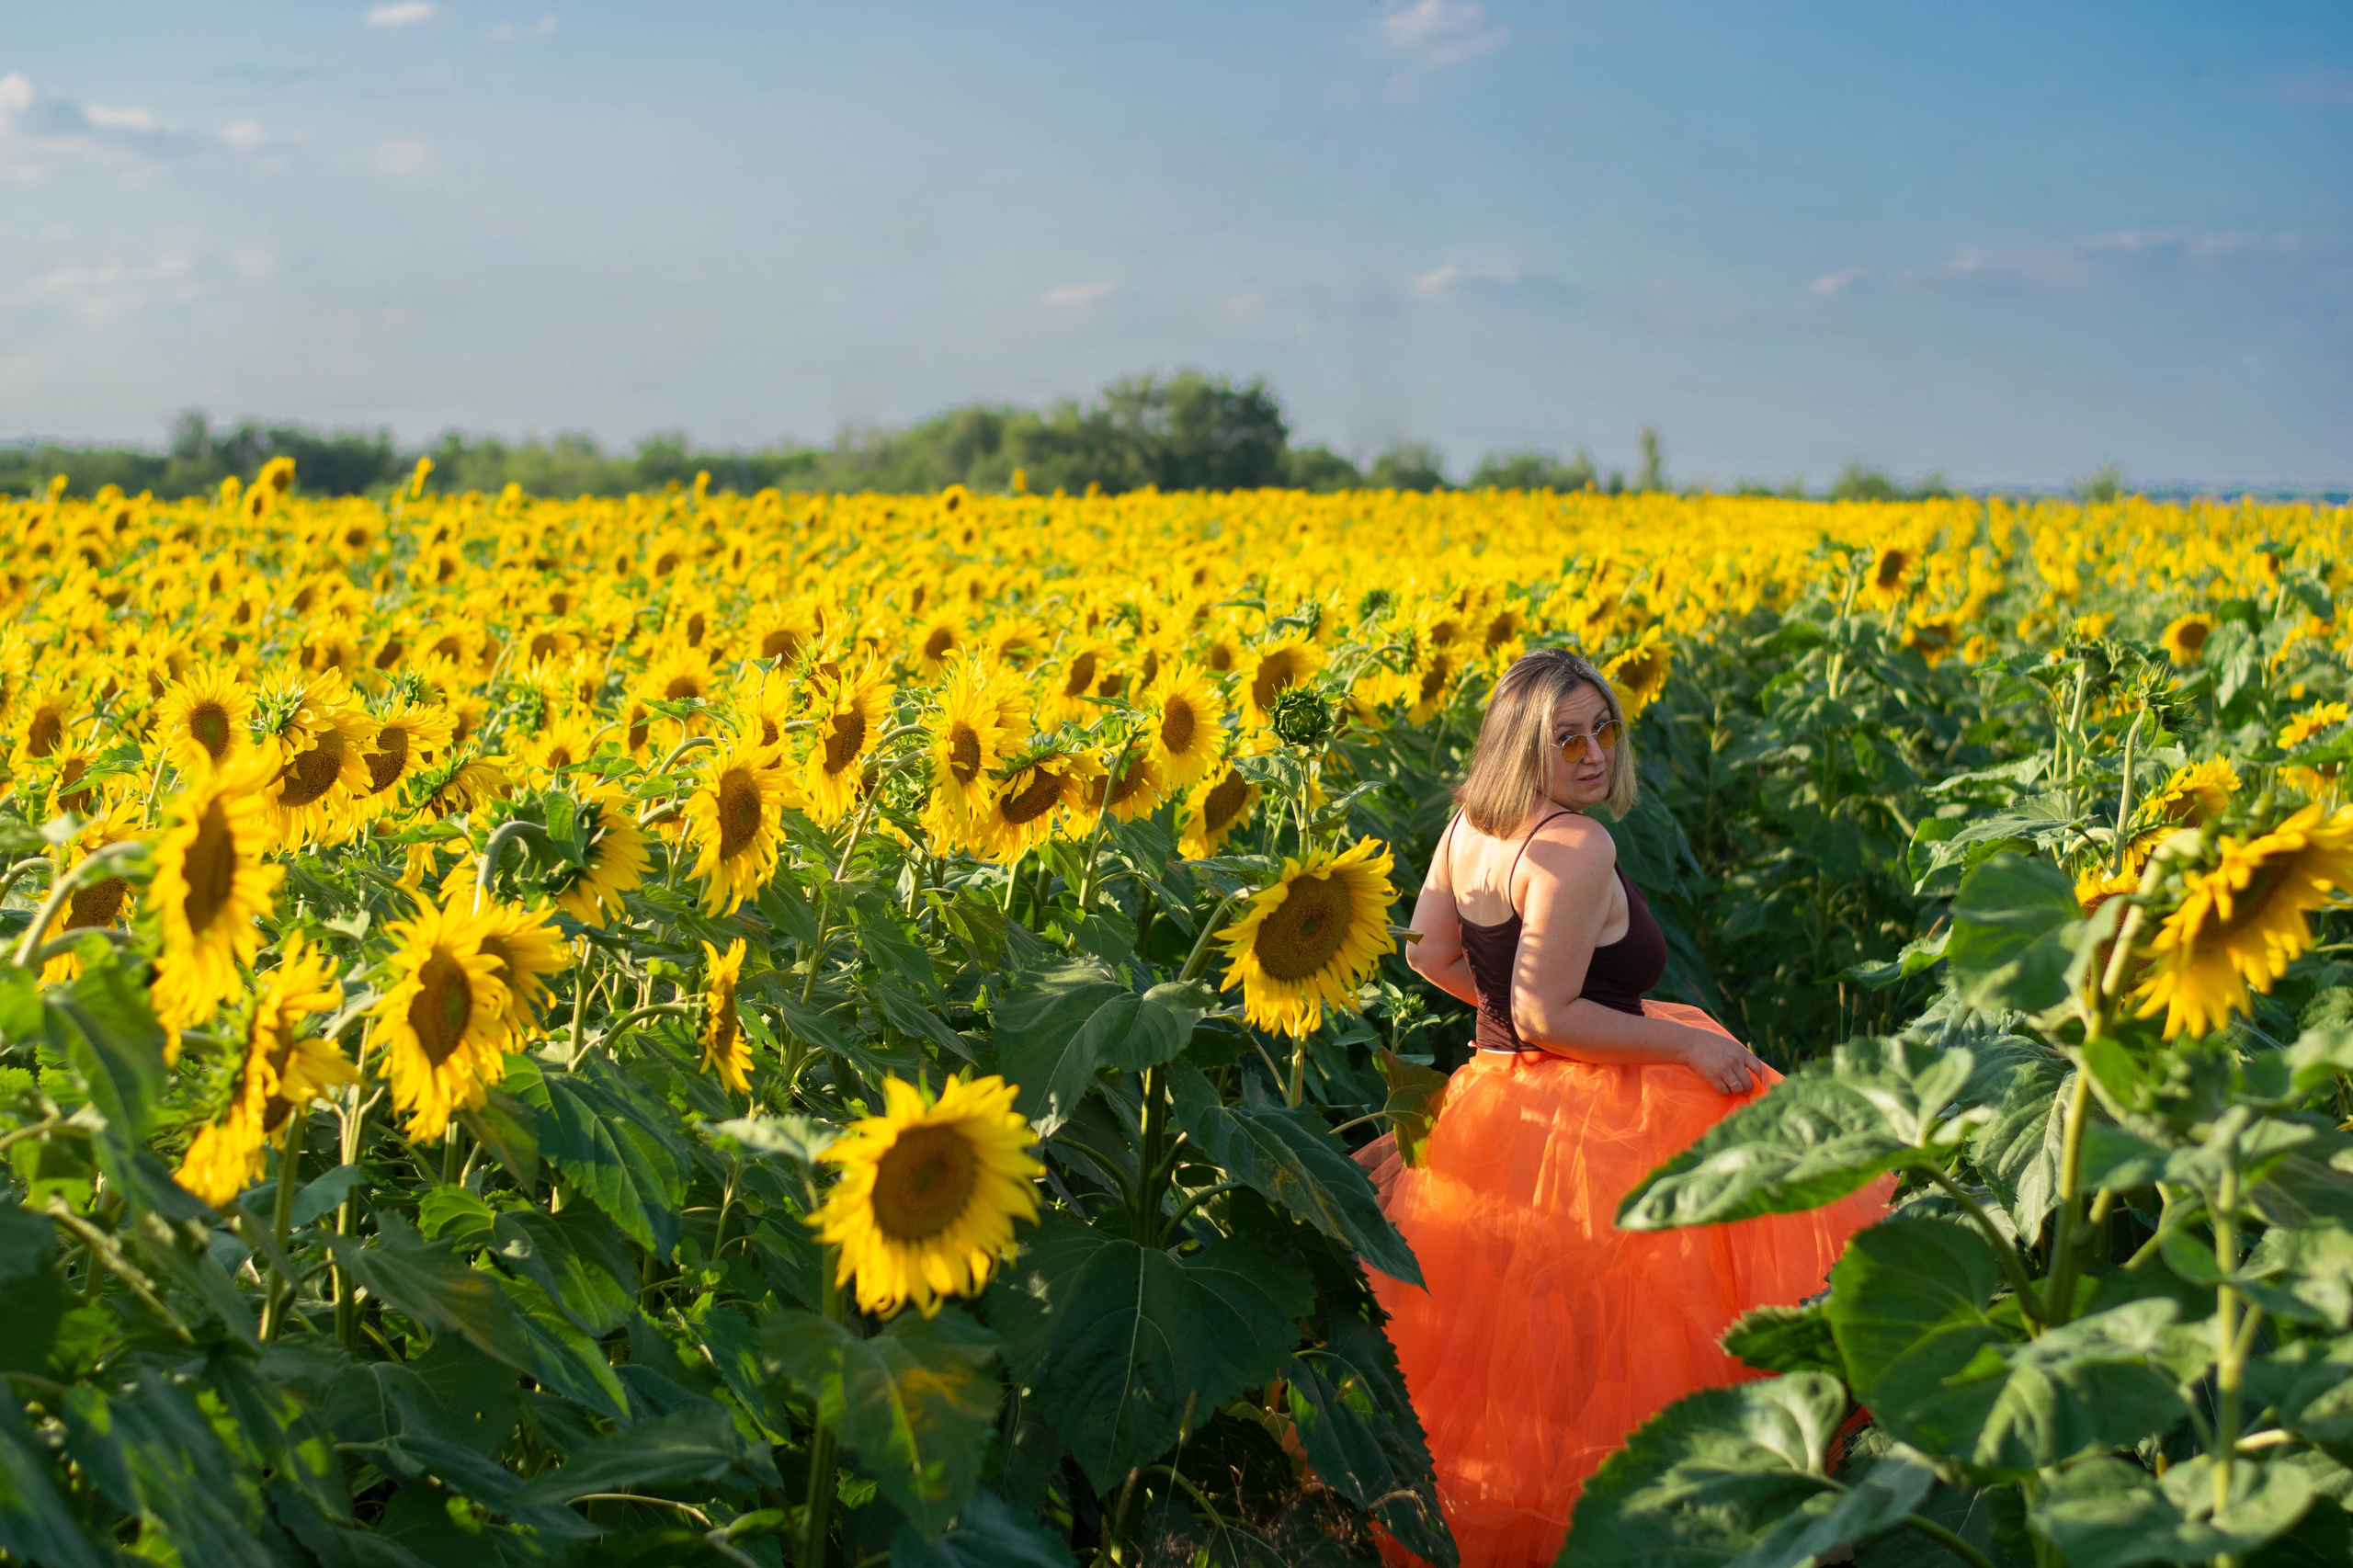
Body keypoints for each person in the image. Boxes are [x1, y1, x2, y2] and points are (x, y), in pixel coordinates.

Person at [1357, 647, 1889, 1568]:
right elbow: (1548, 1011)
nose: (1593, 753)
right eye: (1566, 738)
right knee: (1645, 1340)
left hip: (1492, 1107)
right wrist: (1691, 1043)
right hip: (1596, 1116)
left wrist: (1500, 1032)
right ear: (1522, 743)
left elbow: (1428, 952)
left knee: (1517, 1353)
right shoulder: (1573, 843)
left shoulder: (1468, 825)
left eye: (1605, 729)